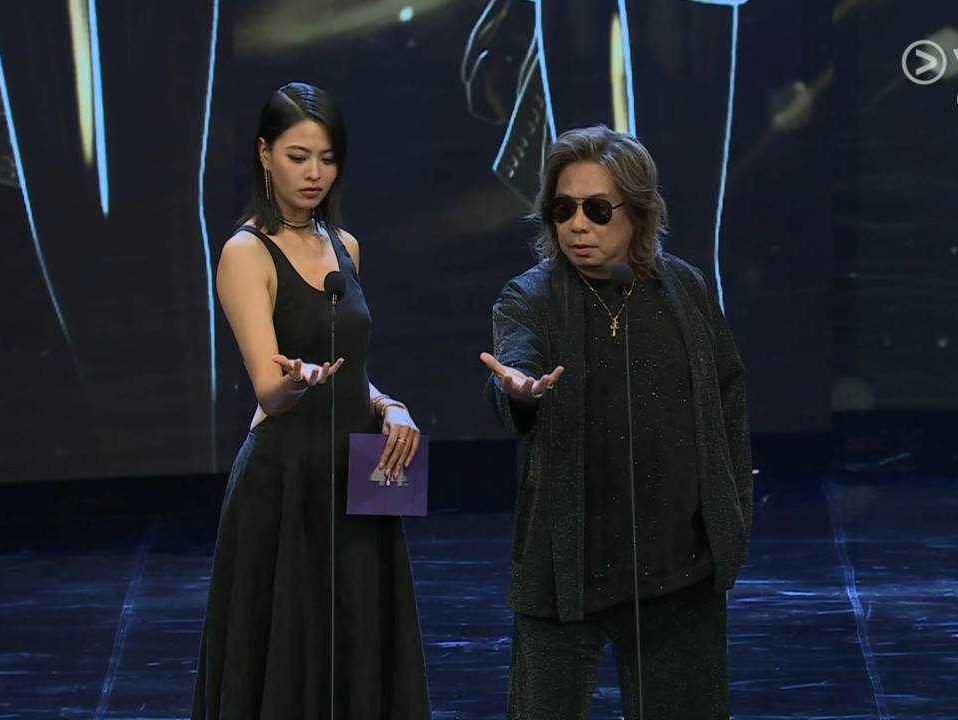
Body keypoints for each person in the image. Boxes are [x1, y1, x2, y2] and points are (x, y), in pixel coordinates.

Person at [480, 125, 752, 719]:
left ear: (639, 213)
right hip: (566, 569)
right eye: (563, 209)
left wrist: (732, 516)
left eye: (597, 210)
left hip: (679, 569)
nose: (578, 225)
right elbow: (516, 369)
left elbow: (727, 396)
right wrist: (521, 393)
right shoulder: (529, 298)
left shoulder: (684, 288)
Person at [193, 82, 430, 719]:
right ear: (264, 154)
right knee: (291, 656)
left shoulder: (344, 246)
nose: (313, 173)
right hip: (287, 479)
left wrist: (390, 406)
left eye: (326, 159)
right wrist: (296, 380)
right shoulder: (246, 253)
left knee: (361, 641)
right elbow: (270, 389)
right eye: (298, 157)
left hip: (358, 473)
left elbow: (351, 371)